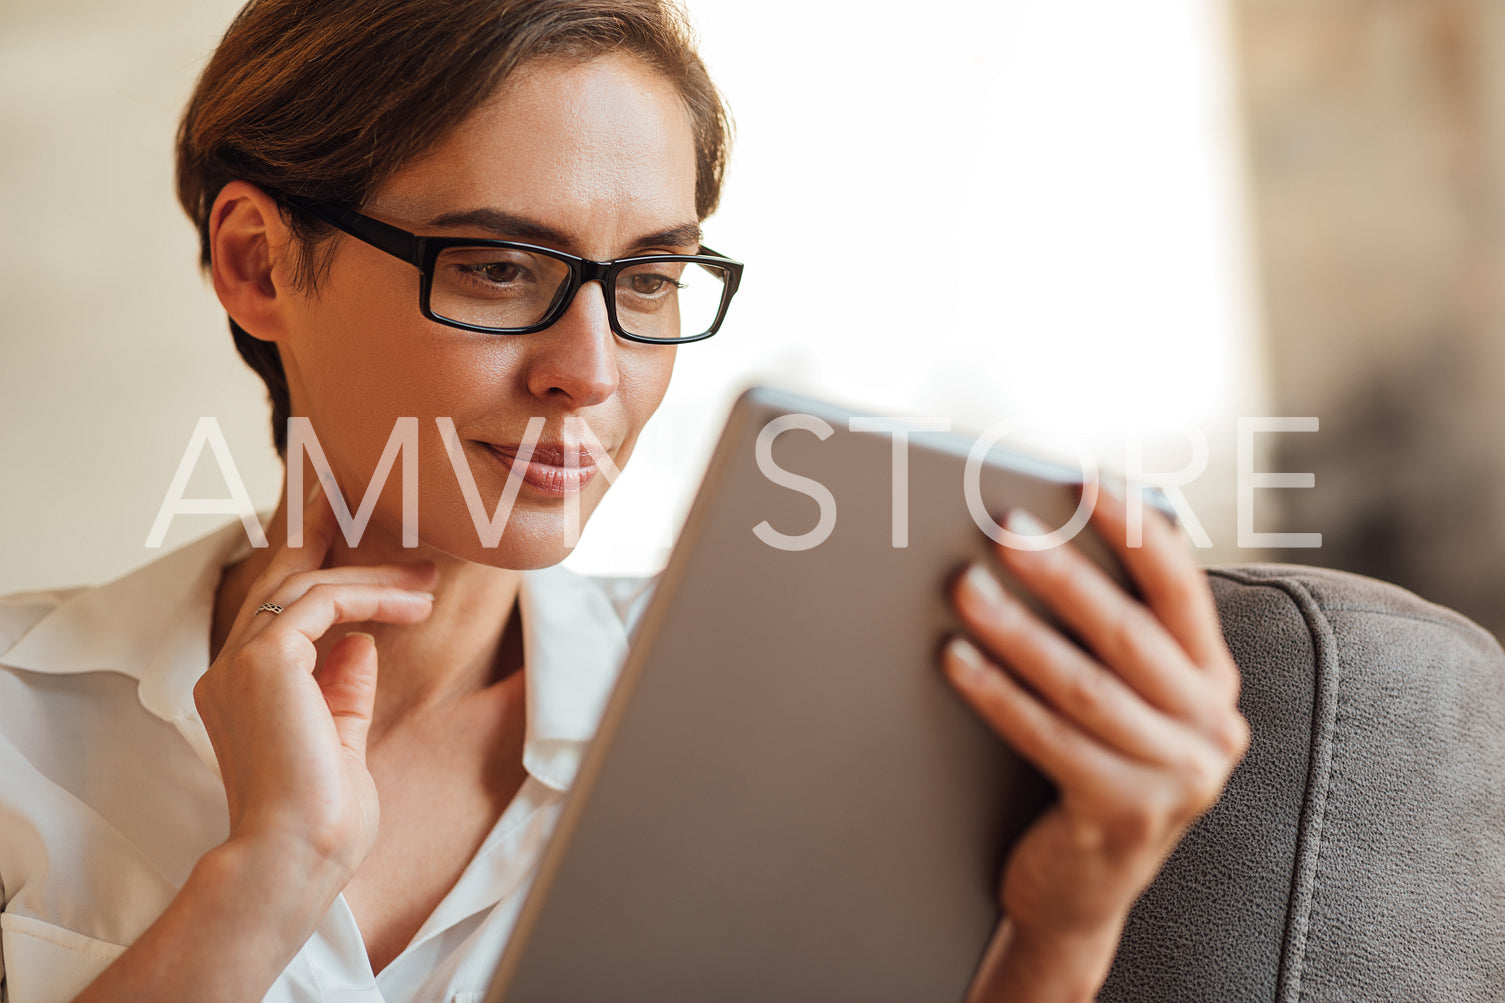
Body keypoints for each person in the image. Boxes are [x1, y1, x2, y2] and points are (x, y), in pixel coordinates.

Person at [0, 1, 1249, 1000]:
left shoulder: (767, 740)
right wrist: (265, 878)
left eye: (648, 280)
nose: (590, 372)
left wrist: (1059, 930)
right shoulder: (18, 716)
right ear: (258, 263)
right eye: (498, 267)